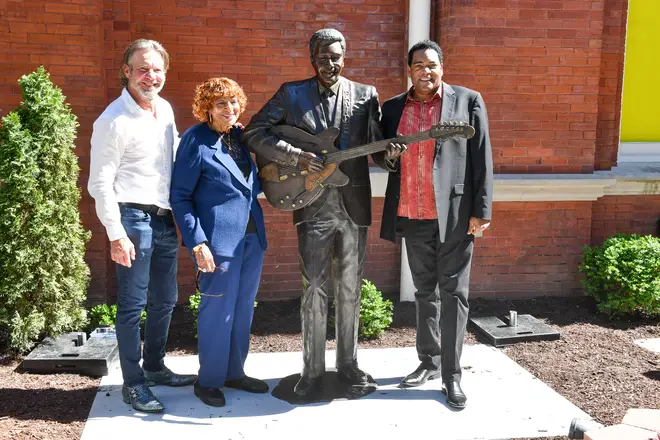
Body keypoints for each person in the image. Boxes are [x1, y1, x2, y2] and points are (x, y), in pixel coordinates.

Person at [243, 28, 399, 397]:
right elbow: (253, 132)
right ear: (312, 59)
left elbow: (376, 150)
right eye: (323, 57)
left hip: (353, 204)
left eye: (336, 57)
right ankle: (311, 370)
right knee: (313, 288)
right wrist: (296, 156)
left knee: (350, 288)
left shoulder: (365, 95)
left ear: (346, 57)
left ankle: (349, 365)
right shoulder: (291, 93)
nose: (330, 64)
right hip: (310, 202)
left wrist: (389, 155)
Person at [375, 39, 493, 409]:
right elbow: (384, 158)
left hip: (455, 216)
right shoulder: (394, 107)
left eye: (432, 65)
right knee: (424, 292)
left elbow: (481, 155)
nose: (426, 72)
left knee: (454, 293)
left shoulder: (467, 100)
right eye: (418, 65)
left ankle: (452, 375)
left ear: (442, 67)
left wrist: (482, 210)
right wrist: (389, 158)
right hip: (412, 212)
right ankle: (428, 361)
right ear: (408, 69)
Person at [88, 39, 196, 414]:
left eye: (157, 69)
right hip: (132, 218)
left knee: (165, 299)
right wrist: (116, 234)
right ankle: (133, 384)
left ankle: (154, 368)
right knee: (132, 305)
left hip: (164, 219)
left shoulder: (163, 109)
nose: (151, 76)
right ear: (127, 71)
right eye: (143, 69)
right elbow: (99, 183)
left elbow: (176, 155)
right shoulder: (113, 120)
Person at [170, 77, 268, 407]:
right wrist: (197, 242)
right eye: (221, 104)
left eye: (234, 102)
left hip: (253, 237)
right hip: (218, 243)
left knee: (242, 309)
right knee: (217, 311)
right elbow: (180, 197)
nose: (230, 109)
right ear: (206, 108)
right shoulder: (195, 140)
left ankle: (234, 373)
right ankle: (209, 380)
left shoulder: (240, 138)